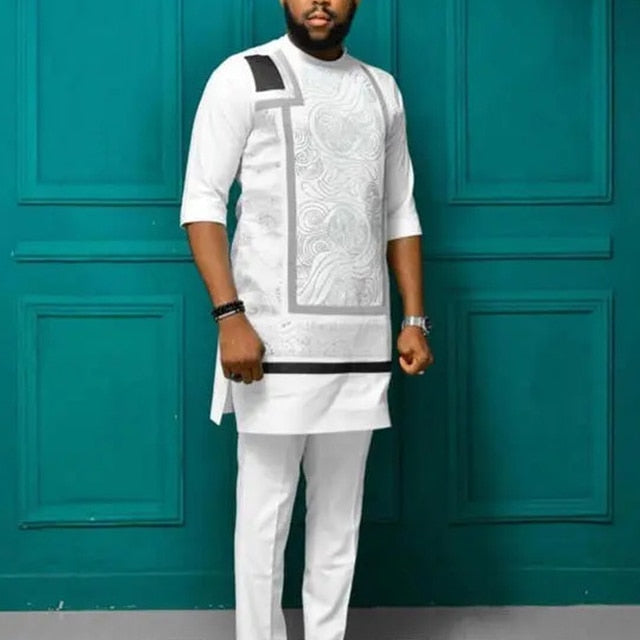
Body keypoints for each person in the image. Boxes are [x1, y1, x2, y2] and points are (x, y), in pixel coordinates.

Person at [179, 1, 434, 638]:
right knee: (263, 518)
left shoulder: (380, 89)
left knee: (339, 522)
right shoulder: (246, 74)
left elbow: (399, 210)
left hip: (360, 345)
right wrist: (229, 316)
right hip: (269, 344)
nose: (319, 1)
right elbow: (202, 201)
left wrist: (415, 318)